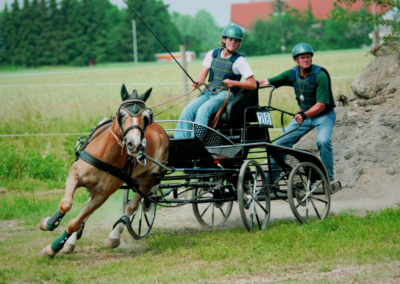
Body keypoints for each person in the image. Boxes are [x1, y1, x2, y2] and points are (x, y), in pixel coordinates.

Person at [259, 43, 337, 182]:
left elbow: (320, 105)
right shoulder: (292, 74)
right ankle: (270, 182)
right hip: (304, 116)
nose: (306, 60)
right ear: (296, 60)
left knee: (323, 141)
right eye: (302, 58)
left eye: (308, 57)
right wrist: (243, 86)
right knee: (280, 143)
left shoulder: (320, 75)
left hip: (323, 116)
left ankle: (328, 179)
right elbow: (266, 81)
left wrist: (304, 115)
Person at [175, 24, 257, 138]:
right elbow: (201, 78)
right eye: (230, 39)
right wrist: (198, 83)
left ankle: (198, 143)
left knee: (203, 110)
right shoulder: (212, 54)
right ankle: (181, 142)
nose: (233, 42)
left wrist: (234, 83)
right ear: (224, 40)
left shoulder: (240, 60)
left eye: (236, 40)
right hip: (209, 92)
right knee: (187, 110)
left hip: (225, 95)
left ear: (239, 43)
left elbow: (253, 84)